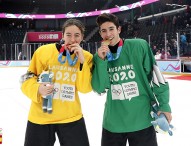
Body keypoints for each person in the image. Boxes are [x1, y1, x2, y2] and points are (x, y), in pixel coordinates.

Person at [91, 13, 172, 146]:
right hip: (113, 123)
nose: (108, 34)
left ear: (119, 29)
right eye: (103, 31)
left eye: (111, 29)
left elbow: (157, 77)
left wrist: (164, 105)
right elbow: (99, 88)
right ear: (100, 34)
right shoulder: (99, 56)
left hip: (143, 120)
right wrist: (101, 61)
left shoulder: (139, 46)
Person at [20, 19, 93, 146]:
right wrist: (37, 89)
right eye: (68, 35)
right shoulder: (43, 52)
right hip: (41, 117)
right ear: (62, 35)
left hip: (71, 117)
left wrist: (81, 62)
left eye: (77, 35)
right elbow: (26, 79)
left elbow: (85, 88)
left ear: (82, 37)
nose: (72, 39)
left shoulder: (87, 57)